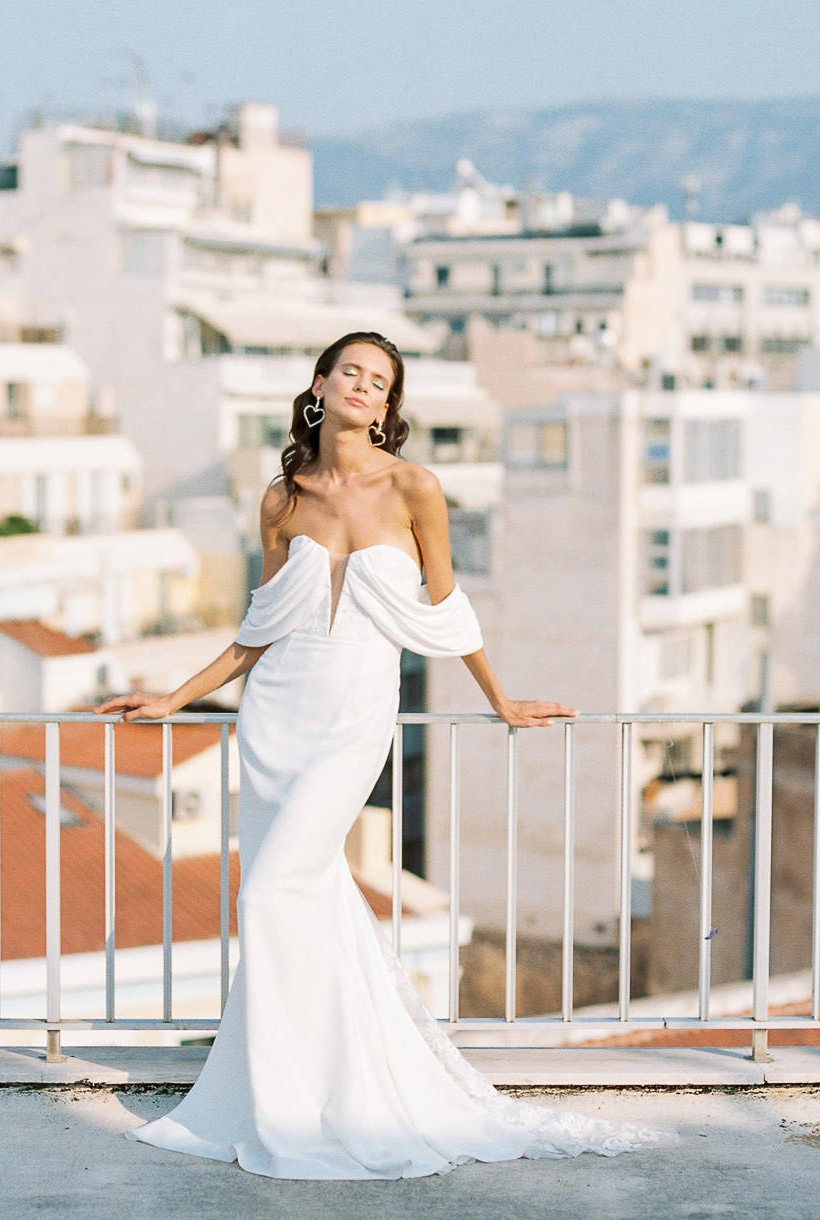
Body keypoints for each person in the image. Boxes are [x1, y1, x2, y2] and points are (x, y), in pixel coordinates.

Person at [95, 330, 669, 1180]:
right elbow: (261, 626)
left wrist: (500, 701)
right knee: (303, 900)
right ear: (320, 386)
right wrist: (177, 697)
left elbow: (448, 610)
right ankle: (296, 1088)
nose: (364, 387)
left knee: (274, 888)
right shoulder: (283, 498)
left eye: (381, 381)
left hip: (354, 719)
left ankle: (300, 1099)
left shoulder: (414, 488)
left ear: (389, 405)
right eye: (350, 372)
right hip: (275, 719)